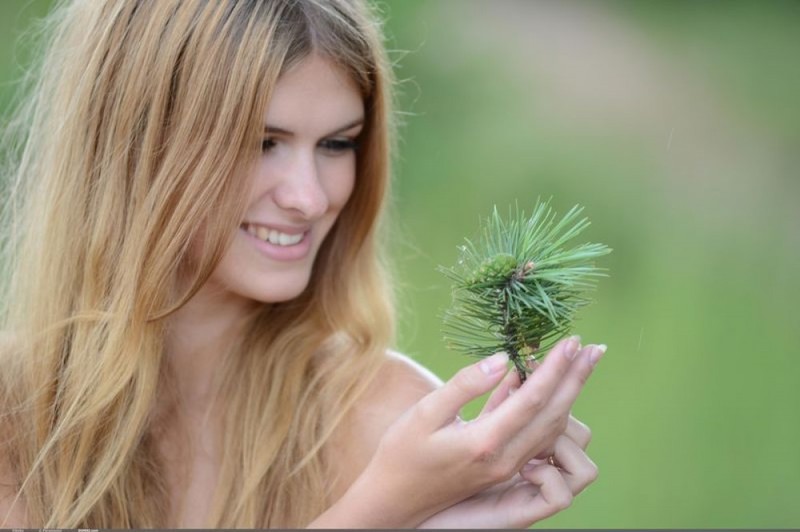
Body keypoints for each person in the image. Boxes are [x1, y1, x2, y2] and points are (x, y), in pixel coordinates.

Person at [0, 0, 605, 528]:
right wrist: (379, 513)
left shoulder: (388, 425)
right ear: (135, 141)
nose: (311, 198)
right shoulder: (13, 416)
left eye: (337, 144)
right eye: (262, 143)